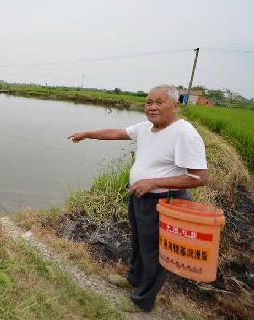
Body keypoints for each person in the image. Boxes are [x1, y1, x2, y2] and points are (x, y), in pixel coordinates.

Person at [67, 84, 208, 313]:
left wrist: (154, 182)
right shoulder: (146, 128)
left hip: (163, 202)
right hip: (140, 197)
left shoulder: (184, 133)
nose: (152, 107)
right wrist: (87, 134)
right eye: (148, 102)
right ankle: (135, 278)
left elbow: (199, 177)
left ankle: (143, 300)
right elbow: (116, 133)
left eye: (159, 102)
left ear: (175, 105)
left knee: (154, 251)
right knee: (140, 243)